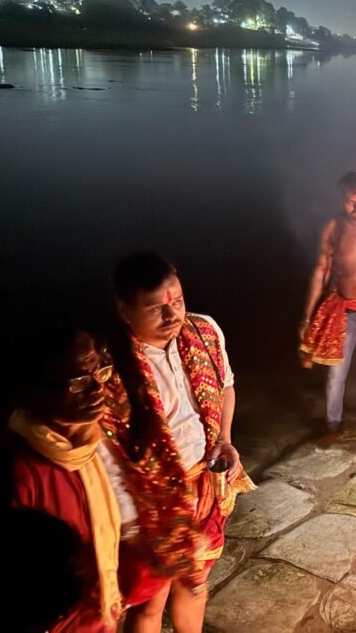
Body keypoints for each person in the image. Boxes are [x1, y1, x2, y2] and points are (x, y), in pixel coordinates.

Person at [100, 252, 245, 633]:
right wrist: (132, 528)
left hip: (205, 485)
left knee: (195, 585)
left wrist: (225, 440)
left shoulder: (204, 332)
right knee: (150, 604)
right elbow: (108, 455)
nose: (172, 316)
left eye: (178, 302)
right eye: (155, 309)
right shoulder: (110, 370)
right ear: (124, 310)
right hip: (151, 504)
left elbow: (225, 386)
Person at [5, 324, 123, 632]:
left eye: (100, 372)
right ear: (34, 393)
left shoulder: (88, 442)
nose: (97, 389)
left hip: (99, 615)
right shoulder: (22, 474)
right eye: (80, 382)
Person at [299, 171, 356, 437]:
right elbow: (322, 271)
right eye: (351, 201)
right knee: (336, 375)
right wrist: (307, 316)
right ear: (343, 200)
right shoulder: (334, 227)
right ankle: (333, 426)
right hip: (345, 311)